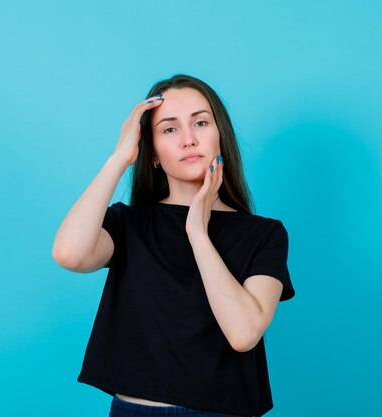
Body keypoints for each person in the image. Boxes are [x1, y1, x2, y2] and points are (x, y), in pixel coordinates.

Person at [52, 74, 295, 417]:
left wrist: (197, 231)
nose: (188, 139)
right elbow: (69, 254)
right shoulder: (129, 224)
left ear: (220, 136)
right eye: (169, 129)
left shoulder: (264, 235)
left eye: (200, 122)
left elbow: (243, 333)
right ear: (151, 152)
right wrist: (120, 157)